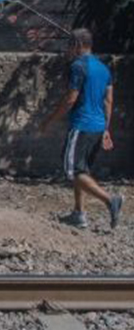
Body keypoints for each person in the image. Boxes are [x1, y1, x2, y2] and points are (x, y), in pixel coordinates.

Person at [39, 28, 122, 229]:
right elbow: (109, 100)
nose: (67, 50)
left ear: (77, 45)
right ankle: (79, 214)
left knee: (73, 170)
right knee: (82, 170)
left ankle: (110, 200)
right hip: (98, 126)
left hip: (82, 125)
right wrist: (106, 129)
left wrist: (48, 122)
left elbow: (70, 99)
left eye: (69, 45)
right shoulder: (103, 68)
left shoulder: (78, 66)